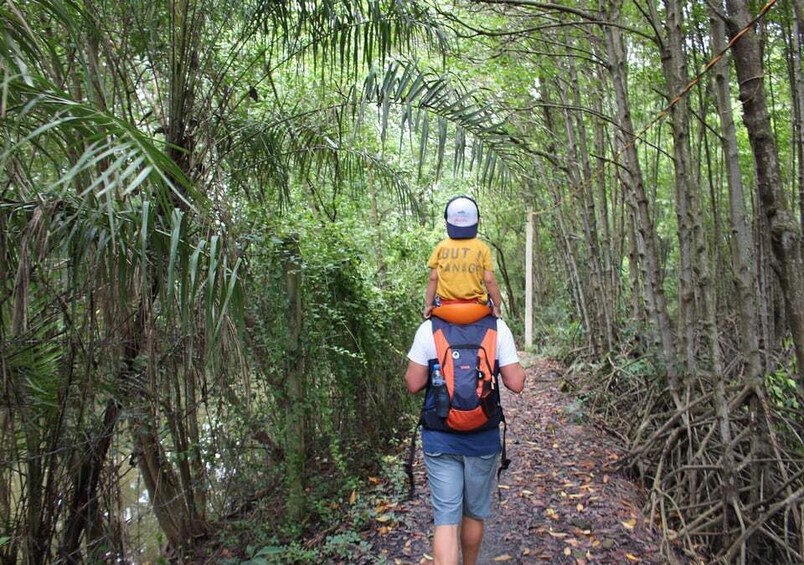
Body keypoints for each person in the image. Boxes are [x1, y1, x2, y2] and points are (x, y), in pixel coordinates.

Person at [405, 315, 526, 565]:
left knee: (446, 521)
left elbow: (413, 383)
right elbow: (516, 383)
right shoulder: (497, 328)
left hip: (440, 439)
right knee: (473, 514)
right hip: (482, 440)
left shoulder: (429, 329)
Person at [423, 196, 503, 321]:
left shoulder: (441, 247)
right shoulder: (482, 248)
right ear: (477, 222)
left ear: (447, 222)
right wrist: (497, 305)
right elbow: (489, 280)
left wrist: (428, 305)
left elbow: (433, 278)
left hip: (445, 305)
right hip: (476, 306)